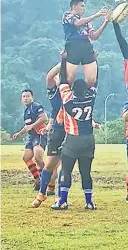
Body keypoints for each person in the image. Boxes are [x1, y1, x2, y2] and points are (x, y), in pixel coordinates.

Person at [51, 56, 98, 210]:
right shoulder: (91, 97)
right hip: (89, 139)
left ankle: (62, 200)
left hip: (73, 138)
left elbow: (63, 79)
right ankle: (89, 202)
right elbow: (95, 79)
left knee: (66, 170)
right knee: (86, 171)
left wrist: (64, 60)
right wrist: (92, 60)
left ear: (73, 90)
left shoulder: (67, 98)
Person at [32, 64, 65, 208]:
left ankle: (61, 197)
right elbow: (49, 76)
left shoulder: (74, 90)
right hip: (58, 131)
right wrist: (64, 60)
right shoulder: (54, 92)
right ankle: (42, 192)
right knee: (50, 163)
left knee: (67, 166)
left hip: (72, 131)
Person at [62, 0, 110, 87]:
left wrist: (106, 21)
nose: (84, 8)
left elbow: (94, 36)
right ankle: (68, 95)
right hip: (73, 46)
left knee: (92, 80)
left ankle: (83, 95)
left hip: (86, 46)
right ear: (74, 6)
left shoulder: (87, 23)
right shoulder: (68, 15)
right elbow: (77, 23)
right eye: (82, 6)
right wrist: (97, 15)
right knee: (69, 79)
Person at [12, 89, 48, 190]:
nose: (25, 98)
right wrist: (19, 133)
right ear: (21, 99)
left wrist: (32, 125)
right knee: (26, 158)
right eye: (23, 97)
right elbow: (27, 126)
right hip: (31, 136)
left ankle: (47, 179)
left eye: (27, 96)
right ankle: (37, 181)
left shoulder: (36, 106)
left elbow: (44, 118)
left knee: (38, 158)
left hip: (39, 134)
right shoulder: (26, 110)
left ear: (32, 97)